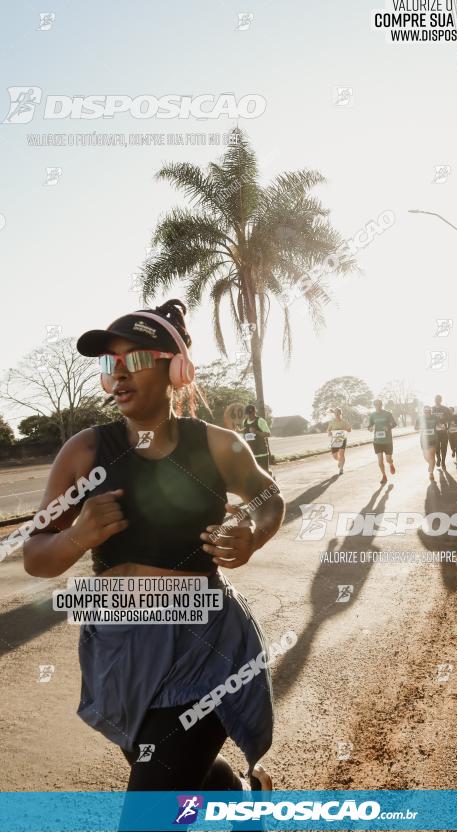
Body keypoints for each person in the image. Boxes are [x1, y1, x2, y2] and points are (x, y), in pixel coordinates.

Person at [23, 300, 284, 799]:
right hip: (120, 648)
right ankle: (240, 798)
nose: (119, 375)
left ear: (177, 368)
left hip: (204, 645)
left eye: (136, 360)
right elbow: (35, 557)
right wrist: (80, 535)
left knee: (152, 801)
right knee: (175, 770)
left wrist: (252, 530)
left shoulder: (216, 445)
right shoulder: (84, 452)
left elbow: (269, 495)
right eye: (109, 364)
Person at [367, 399, 397, 484]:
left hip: (387, 441)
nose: (378, 406)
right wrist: (370, 428)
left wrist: (388, 427)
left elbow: (394, 424)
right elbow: (370, 425)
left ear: (381, 405)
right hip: (377, 441)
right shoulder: (373, 415)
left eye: (379, 404)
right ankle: (384, 476)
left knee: (388, 459)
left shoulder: (387, 414)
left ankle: (391, 464)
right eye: (376, 405)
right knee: (380, 461)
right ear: (374, 405)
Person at [242, 404, 272, 475]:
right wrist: (239, 431)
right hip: (251, 453)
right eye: (247, 414)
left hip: (261, 453)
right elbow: (245, 433)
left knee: (265, 473)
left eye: (251, 414)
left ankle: (270, 484)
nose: (249, 416)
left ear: (254, 412)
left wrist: (256, 432)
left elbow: (268, 434)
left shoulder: (260, 421)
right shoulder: (245, 422)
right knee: (253, 474)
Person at [327, 407, 352, 475]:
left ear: (340, 413)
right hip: (335, 439)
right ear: (334, 414)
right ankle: (339, 461)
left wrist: (345, 429)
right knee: (335, 456)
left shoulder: (344, 422)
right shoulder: (332, 422)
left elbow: (350, 430)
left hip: (342, 438)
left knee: (341, 454)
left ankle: (341, 469)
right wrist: (329, 432)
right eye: (335, 412)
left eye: (338, 412)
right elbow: (328, 430)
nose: (336, 414)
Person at [431, 394, 452, 470]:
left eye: (439, 399)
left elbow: (450, 418)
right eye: (436, 399)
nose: (437, 401)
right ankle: (439, 458)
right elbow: (428, 419)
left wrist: (447, 426)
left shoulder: (445, 409)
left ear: (441, 400)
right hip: (435, 433)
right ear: (434, 400)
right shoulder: (432, 409)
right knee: (436, 447)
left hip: (443, 432)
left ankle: (443, 461)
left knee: (444, 447)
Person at [419, 406, 438, 480]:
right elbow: (416, 427)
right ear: (424, 412)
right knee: (427, 458)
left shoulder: (435, 418)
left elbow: (439, 424)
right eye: (426, 411)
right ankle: (432, 463)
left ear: (431, 411)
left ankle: (431, 473)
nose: (427, 413)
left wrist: (440, 426)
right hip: (424, 441)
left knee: (432, 456)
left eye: (429, 411)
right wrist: (420, 427)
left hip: (433, 440)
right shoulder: (421, 418)